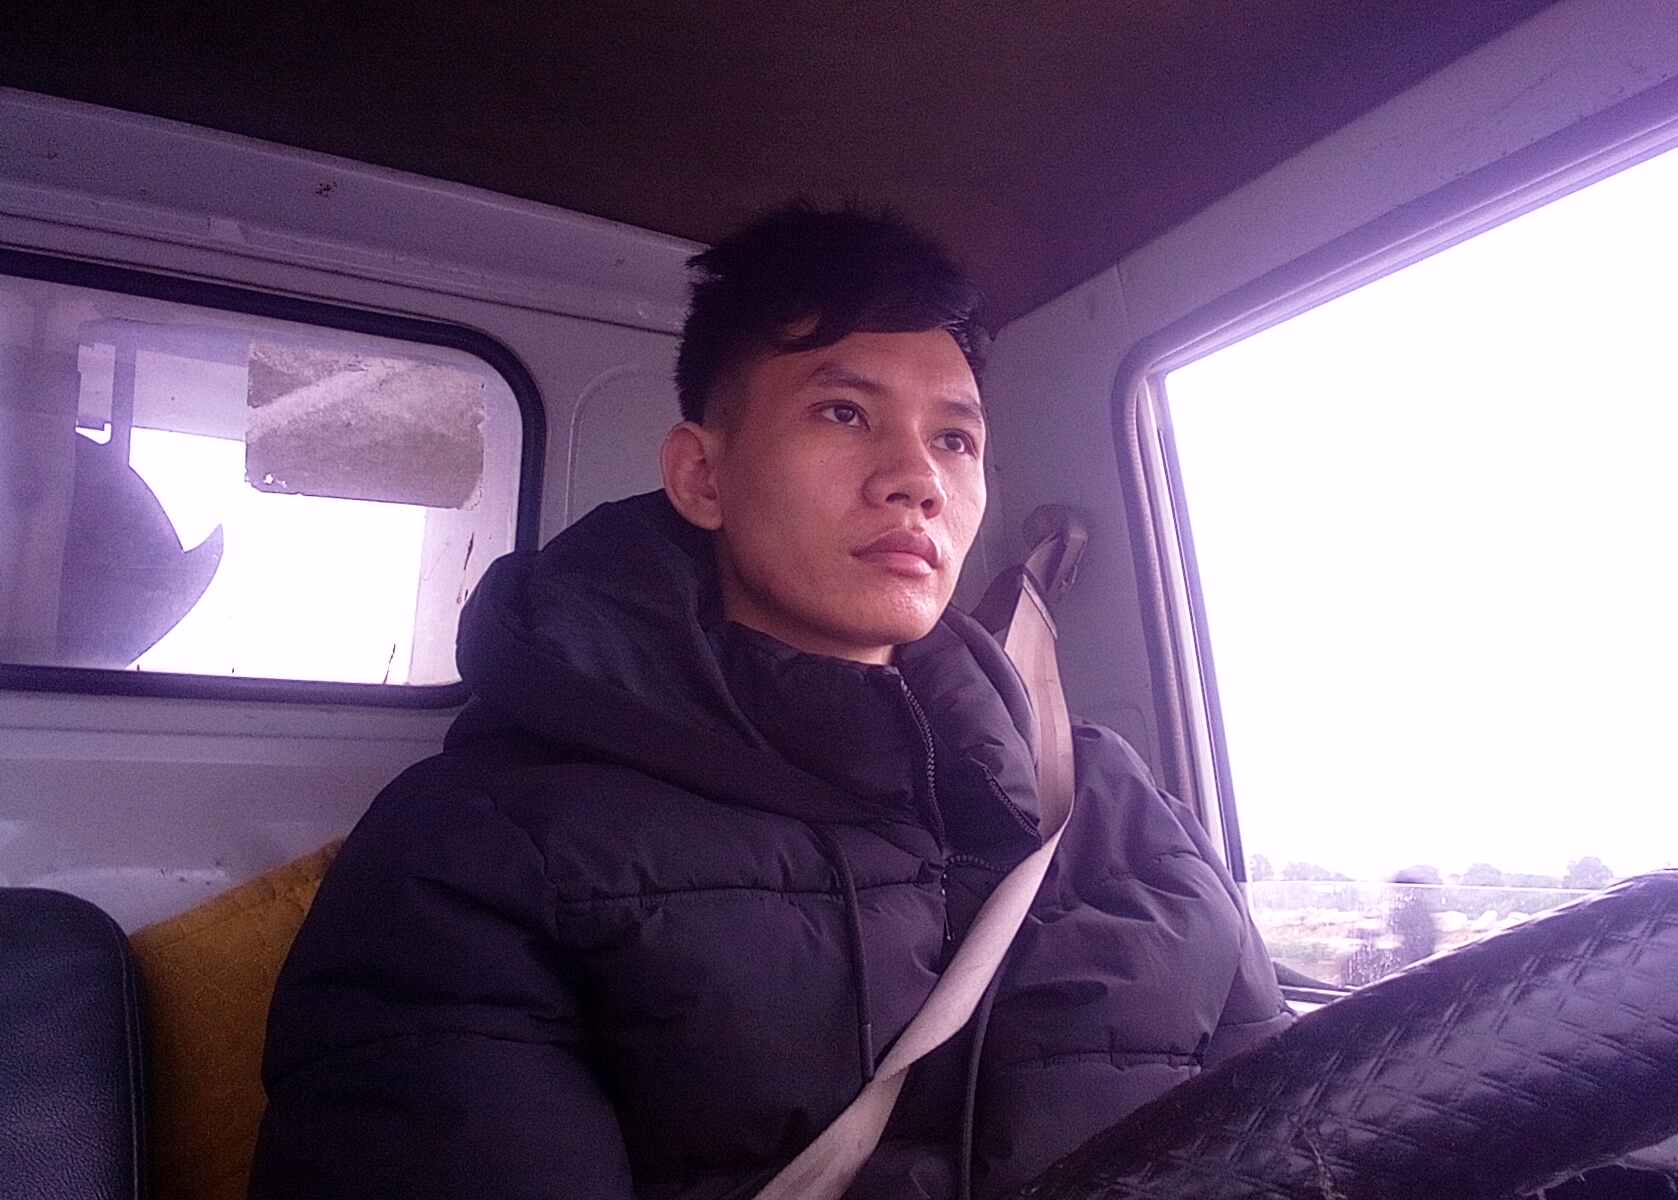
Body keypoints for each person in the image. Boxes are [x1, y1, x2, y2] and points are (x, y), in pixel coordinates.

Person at [249, 204, 1290, 1200]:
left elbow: (1298, 1130)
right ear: (702, 476)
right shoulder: (474, 849)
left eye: (955, 440)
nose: (918, 479)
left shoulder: (1106, 797)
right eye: (845, 413)